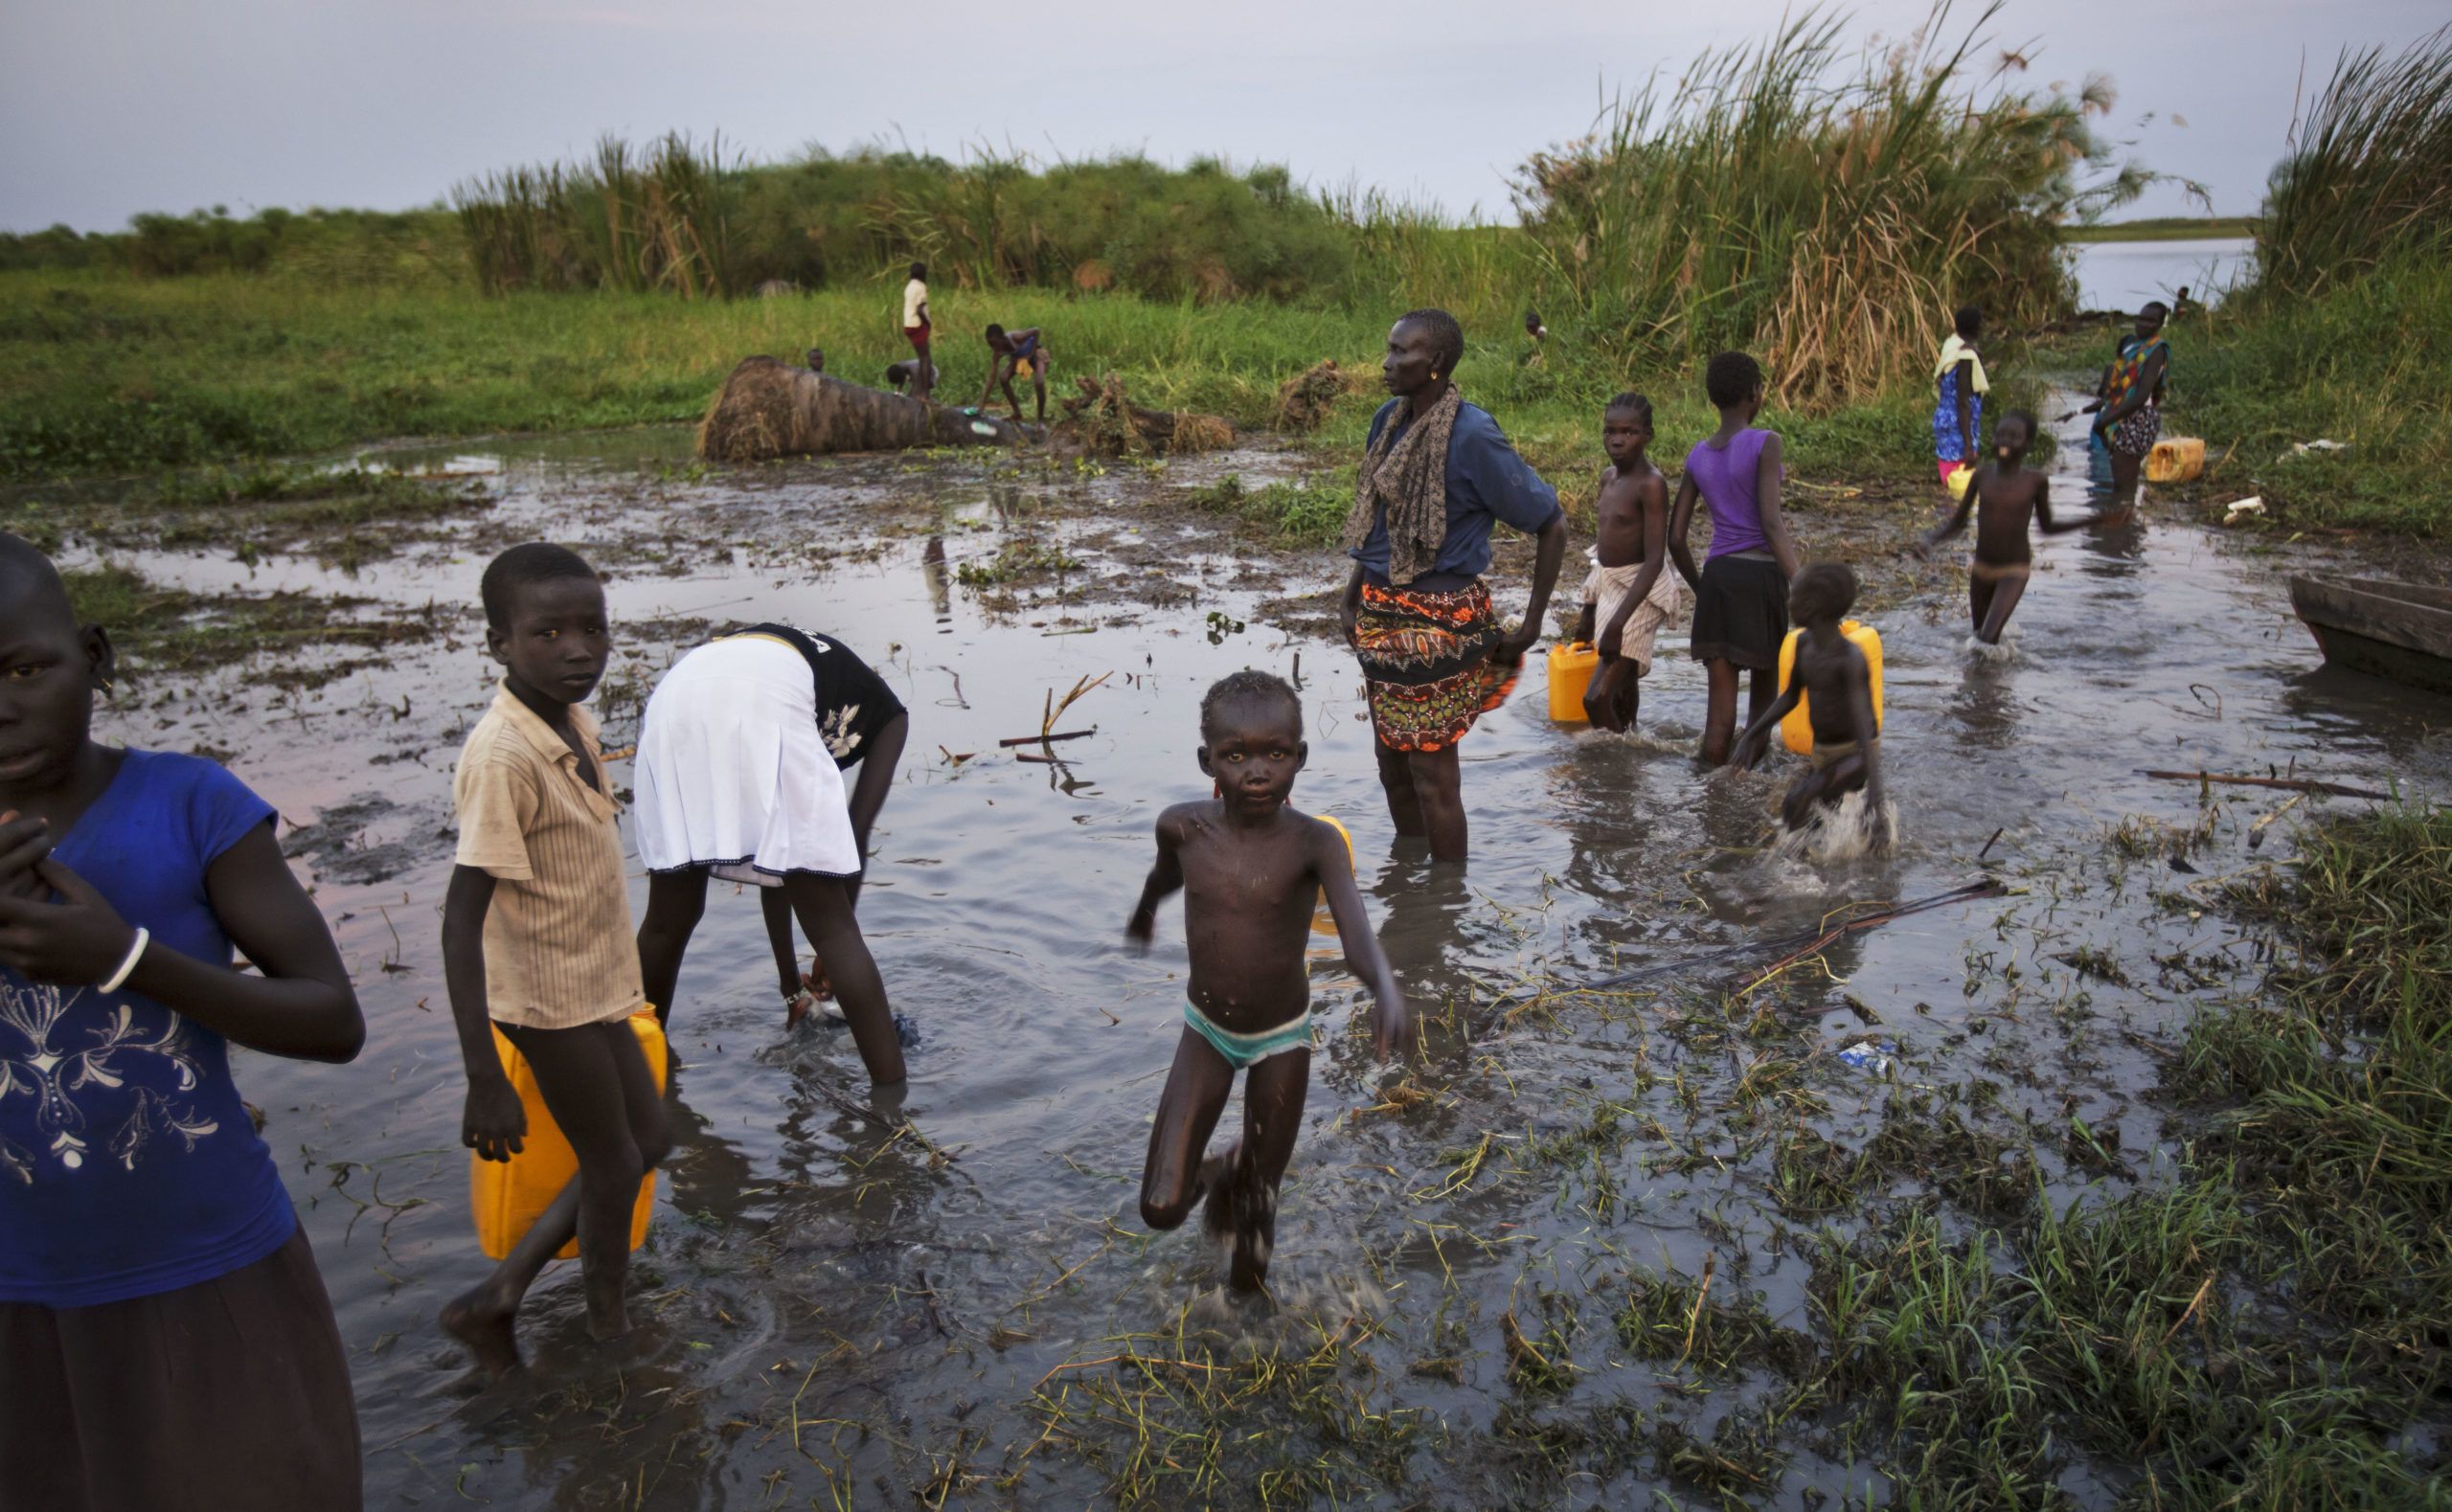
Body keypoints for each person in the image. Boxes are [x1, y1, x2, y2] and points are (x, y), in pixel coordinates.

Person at [0, 532, 367, 1510]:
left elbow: (331, 1019)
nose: (1, 708)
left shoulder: (190, 805)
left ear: (97, 656)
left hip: (207, 1259)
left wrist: (125, 959)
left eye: (26, 668)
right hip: (20, 1284)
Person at [439, 543, 670, 1381]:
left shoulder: (572, 720)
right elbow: (460, 922)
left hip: (594, 982)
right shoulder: (502, 757)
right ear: (499, 642)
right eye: (549, 632)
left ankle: (497, 1298)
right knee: (613, 1157)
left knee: (650, 1136)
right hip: (544, 998)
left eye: (593, 628)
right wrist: (483, 1075)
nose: (578, 649)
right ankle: (609, 1326)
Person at [1126, 672, 1412, 1291]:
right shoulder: (1182, 827)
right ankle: (1220, 1169)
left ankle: (1244, 1332)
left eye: (1275, 754)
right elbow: (1165, 876)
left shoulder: (1316, 843)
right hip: (1206, 1032)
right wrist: (1145, 910)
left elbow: (1357, 935)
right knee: (1161, 1206)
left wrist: (1385, 987)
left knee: (1256, 1218)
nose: (1256, 772)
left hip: (1283, 1039)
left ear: (1299, 757)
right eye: (1236, 756)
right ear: (1208, 760)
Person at [631, 624, 910, 1086]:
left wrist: (790, 988)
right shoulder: (891, 718)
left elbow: (776, 859)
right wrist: (829, 949)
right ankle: (894, 1103)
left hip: (674, 699)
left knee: (667, 918)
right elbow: (853, 833)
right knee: (835, 928)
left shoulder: (802, 663)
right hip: (763, 699)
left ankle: (641, 1070)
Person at [1338, 307, 1568, 863]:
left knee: (1433, 774)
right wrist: (1352, 595)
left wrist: (1533, 622)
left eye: (1400, 352)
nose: (1387, 363)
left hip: (1440, 619)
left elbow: (1551, 522)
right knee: (1391, 763)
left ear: (1435, 362)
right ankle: (1410, 892)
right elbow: (1379, 521)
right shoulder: (1388, 421)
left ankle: (1446, 910)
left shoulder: (1473, 434)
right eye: (1389, 350)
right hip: (1381, 611)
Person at [1668, 350, 1803, 766]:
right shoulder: (1766, 443)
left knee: (1718, 721)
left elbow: (1676, 538)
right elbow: (1771, 523)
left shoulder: (1697, 455)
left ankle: (1711, 800)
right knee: (1762, 708)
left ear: (1714, 398)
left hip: (1719, 579)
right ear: (1755, 393)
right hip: (1761, 580)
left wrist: (1704, 588)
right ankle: (1740, 790)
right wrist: (1802, 583)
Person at [1731, 563, 1888, 848]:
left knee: (1798, 799)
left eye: (1794, 596)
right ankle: (1823, 869)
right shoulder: (1804, 645)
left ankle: (1793, 868)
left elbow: (1865, 725)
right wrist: (1752, 733)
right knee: (1818, 822)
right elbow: (1791, 696)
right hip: (1823, 752)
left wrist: (1876, 800)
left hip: (1856, 754)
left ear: (1813, 605)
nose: (1789, 602)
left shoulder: (1849, 659)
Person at [1916, 411, 2093, 643]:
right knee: (1978, 639)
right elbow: (1958, 522)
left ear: (2028, 444)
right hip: (1981, 569)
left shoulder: (2035, 480)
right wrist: (1930, 540)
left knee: (1987, 639)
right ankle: (1997, 676)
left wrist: (2094, 520)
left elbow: (2047, 527)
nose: (2004, 441)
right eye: (2000, 435)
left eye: (2013, 436)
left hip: (2014, 570)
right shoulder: (1982, 475)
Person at [1572, 393, 1682, 732]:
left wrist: (1617, 623)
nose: (1617, 440)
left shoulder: (1651, 484)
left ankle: (1611, 769)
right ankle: (1630, 746)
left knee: (1595, 699)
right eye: (1610, 431)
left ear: (1647, 435)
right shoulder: (1608, 478)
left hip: (1641, 591)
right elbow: (1604, 551)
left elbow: (1653, 561)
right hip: (1611, 584)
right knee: (1620, 688)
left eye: (1629, 432)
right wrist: (1589, 609)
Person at [2093, 302, 2169, 520]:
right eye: (2140, 318)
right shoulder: (2133, 346)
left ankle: (2121, 535)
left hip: (2137, 418)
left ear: (2159, 324)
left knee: (2123, 487)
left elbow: (2141, 395)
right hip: (2121, 415)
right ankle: (2125, 536)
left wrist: (2106, 420)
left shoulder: (2156, 350)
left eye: (2150, 320)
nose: (2142, 324)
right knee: (2122, 483)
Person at [1933, 305, 1988, 487]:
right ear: (1974, 326)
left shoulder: (1952, 346)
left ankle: (1947, 513)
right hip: (1958, 425)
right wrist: (1968, 445)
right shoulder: (1966, 355)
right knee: (1960, 484)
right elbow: (1963, 401)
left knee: (1950, 479)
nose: (1983, 326)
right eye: (1980, 323)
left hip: (1945, 419)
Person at [979, 324, 1049, 425]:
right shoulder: (997, 353)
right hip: (1019, 360)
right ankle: (1017, 413)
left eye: (995, 343)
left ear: (1002, 338)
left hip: (1036, 354)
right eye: (990, 345)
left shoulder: (1016, 337)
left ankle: (1040, 421)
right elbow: (992, 377)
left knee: (1039, 383)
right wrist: (982, 404)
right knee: (1003, 378)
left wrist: (1031, 354)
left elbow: (1036, 331)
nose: (994, 348)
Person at [900, 262, 932, 402]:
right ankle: (925, 395)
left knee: (921, 357)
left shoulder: (910, 286)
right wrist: (928, 322)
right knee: (926, 359)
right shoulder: (921, 287)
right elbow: (920, 309)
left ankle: (918, 391)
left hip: (908, 324)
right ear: (923, 274)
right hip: (917, 324)